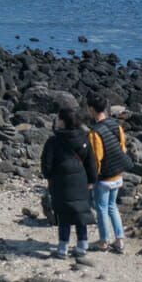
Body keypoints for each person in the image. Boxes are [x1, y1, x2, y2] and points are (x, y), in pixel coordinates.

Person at [41, 107, 98, 260]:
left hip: (61, 182)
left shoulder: (53, 141)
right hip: (81, 180)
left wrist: (49, 177)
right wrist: (92, 180)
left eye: (58, 118)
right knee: (81, 214)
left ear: (63, 121)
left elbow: (46, 165)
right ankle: (82, 246)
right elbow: (91, 163)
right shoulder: (84, 139)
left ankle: (62, 248)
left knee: (64, 215)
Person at [85, 95, 133, 254]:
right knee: (112, 207)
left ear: (92, 109)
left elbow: (96, 160)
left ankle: (103, 241)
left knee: (102, 209)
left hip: (104, 179)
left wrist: (91, 179)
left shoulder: (94, 133)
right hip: (118, 174)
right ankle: (119, 240)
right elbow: (123, 148)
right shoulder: (116, 125)